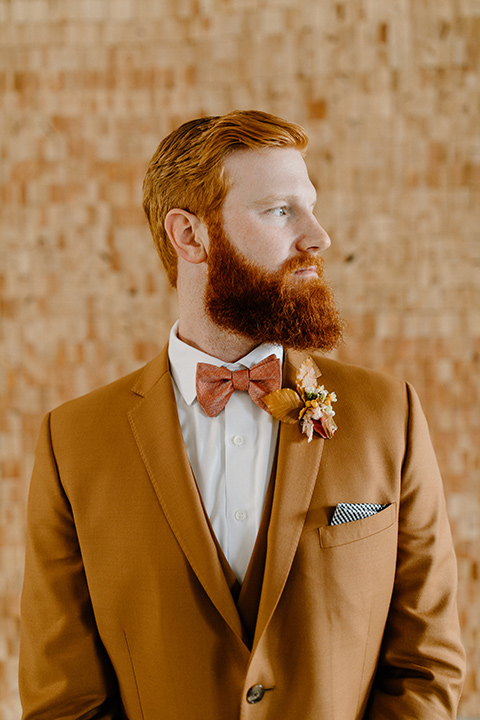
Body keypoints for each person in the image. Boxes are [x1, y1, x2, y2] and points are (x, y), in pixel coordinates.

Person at [19, 110, 465, 720]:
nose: (318, 236)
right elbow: (62, 698)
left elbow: (428, 665)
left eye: (309, 207)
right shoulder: (73, 442)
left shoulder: (391, 416)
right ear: (191, 237)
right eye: (280, 211)